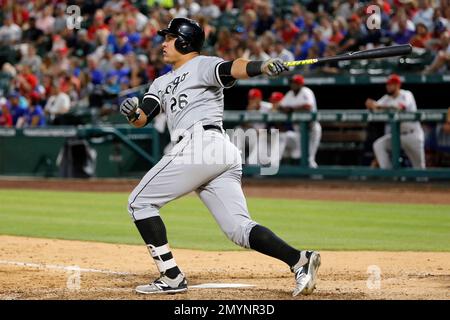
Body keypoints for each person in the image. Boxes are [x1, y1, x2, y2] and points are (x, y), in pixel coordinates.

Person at [119, 18, 320, 297]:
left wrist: (261, 66)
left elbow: (233, 67)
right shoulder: (160, 82)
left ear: (185, 41)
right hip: (215, 150)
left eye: (169, 37)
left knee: (138, 203)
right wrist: (132, 113)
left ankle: (171, 276)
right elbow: (143, 118)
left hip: (201, 144)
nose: (163, 43)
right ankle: (300, 259)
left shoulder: (202, 64)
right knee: (238, 229)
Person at [365, 74, 425, 169]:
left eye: (391, 84)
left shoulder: (406, 94)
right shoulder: (386, 98)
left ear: (398, 85)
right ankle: (388, 174)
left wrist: (378, 106)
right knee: (379, 145)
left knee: (420, 169)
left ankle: (422, 181)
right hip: (397, 136)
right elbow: (375, 107)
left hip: (412, 135)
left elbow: (400, 107)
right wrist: (371, 105)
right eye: (387, 84)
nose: (388, 86)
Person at [278, 75, 322, 168]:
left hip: (312, 128)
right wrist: (287, 109)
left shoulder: (306, 91)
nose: (293, 85)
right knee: (297, 153)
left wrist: (291, 109)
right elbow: (280, 106)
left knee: (310, 158)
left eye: (295, 83)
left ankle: (314, 177)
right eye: (292, 83)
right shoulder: (290, 94)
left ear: (301, 84)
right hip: (298, 130)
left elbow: (308, 107)